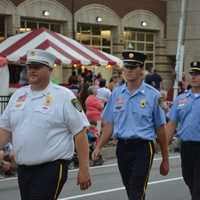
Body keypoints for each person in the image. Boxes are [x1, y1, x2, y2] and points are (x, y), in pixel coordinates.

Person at [0, 49, 91, 200]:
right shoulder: (18, 95)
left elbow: (80, 133)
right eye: (30, 66)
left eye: (37, 66)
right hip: (24, 168)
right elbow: (5, 129)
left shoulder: (63, 96)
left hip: (51, 167)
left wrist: (84, 169)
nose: (32, 70)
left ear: (50, 69)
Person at [92, 50, 169, 200]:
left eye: (133, 67)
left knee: (136, 189)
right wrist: (99, 146)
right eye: (126, 67)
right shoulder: (116, 93)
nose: (128, 71)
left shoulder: (153, 95)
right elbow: (109, 124)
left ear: (141, 69)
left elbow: (161, 129)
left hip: (143, 148)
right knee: (130, 189)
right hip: (122, 147)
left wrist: (165, 158)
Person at [166, 61, 200, 200]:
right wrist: (163, 147)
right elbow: (171, 124)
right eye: (192, 74)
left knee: (198, 186)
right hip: (186, 147)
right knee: (189, 179)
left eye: (198, 74)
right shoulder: (181, 99)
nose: (194, 77)